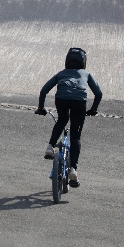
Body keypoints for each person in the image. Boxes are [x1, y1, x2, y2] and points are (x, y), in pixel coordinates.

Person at [35, 47, 102, 186]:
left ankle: (50, 147)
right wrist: (93, 109)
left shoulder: (61, 73)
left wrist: (41, 108)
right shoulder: (86, 74)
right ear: (83, 62)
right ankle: (73, 170)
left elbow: (43, 90)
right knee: (75, 135)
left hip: (62, 99)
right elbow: (98, 93)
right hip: (79, 102)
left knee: (62, 119)